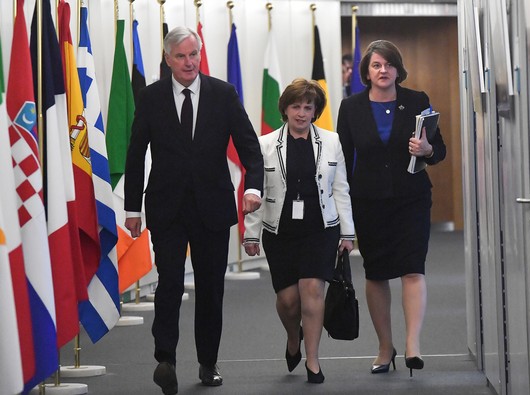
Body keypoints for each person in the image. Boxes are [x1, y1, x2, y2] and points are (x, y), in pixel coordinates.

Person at [124, 26, 264, 394]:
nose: (189, 62)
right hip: (167, 207)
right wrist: (131, 209)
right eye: (181, 56)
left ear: (200, 55)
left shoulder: (223, 93)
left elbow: (250, 147)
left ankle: (207, 362)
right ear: (168, 59)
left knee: (210, 288)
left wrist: (252, 187)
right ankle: (164, 359)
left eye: (194, 55)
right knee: (169, 282)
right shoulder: (150, 97)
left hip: (212, 206)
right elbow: (136, 153)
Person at [336, 40, 446, 377]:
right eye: (376, 65)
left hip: (411, 198)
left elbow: (438, 151)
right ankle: (386, 346)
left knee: (413, 268)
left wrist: (426, 148)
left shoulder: (417, 101)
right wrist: (342, 214)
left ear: (398, 70)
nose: (383, 71)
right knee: (377, 273)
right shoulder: (351, 107)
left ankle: (413, 344)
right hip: (368, 202)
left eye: (389, 65)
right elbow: (340, 161)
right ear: (366, 72)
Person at [243, 78, 355, 384]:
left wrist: (348, 232)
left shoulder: (331, 141)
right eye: (296, 106)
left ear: (316, 110)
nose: (302, 113)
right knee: (289, 301)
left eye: (308, 107)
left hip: (321, 228)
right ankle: (294, 336)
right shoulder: (266, 144)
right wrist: (250, 235)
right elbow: (257, 191)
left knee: (312, 289)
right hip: (280, 231)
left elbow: (340, 188)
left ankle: (313, 360)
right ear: (285, 109)